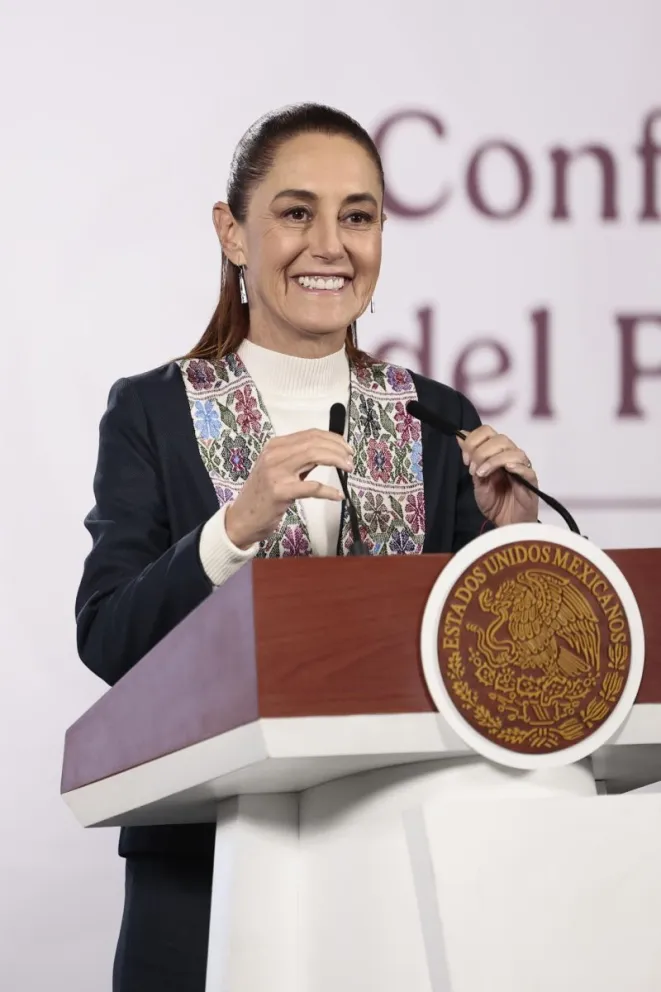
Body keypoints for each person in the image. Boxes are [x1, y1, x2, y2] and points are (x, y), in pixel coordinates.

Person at [75, 102, 539, 992]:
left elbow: (497, 673)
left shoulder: (431, 415)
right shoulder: (154, 412)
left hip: (403, 853)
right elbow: (107, 638)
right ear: (233, 233)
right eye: (296, 213)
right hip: (207, 864)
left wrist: (511, 541)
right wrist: (234, 527)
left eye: (356, 216)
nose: (330, 244)